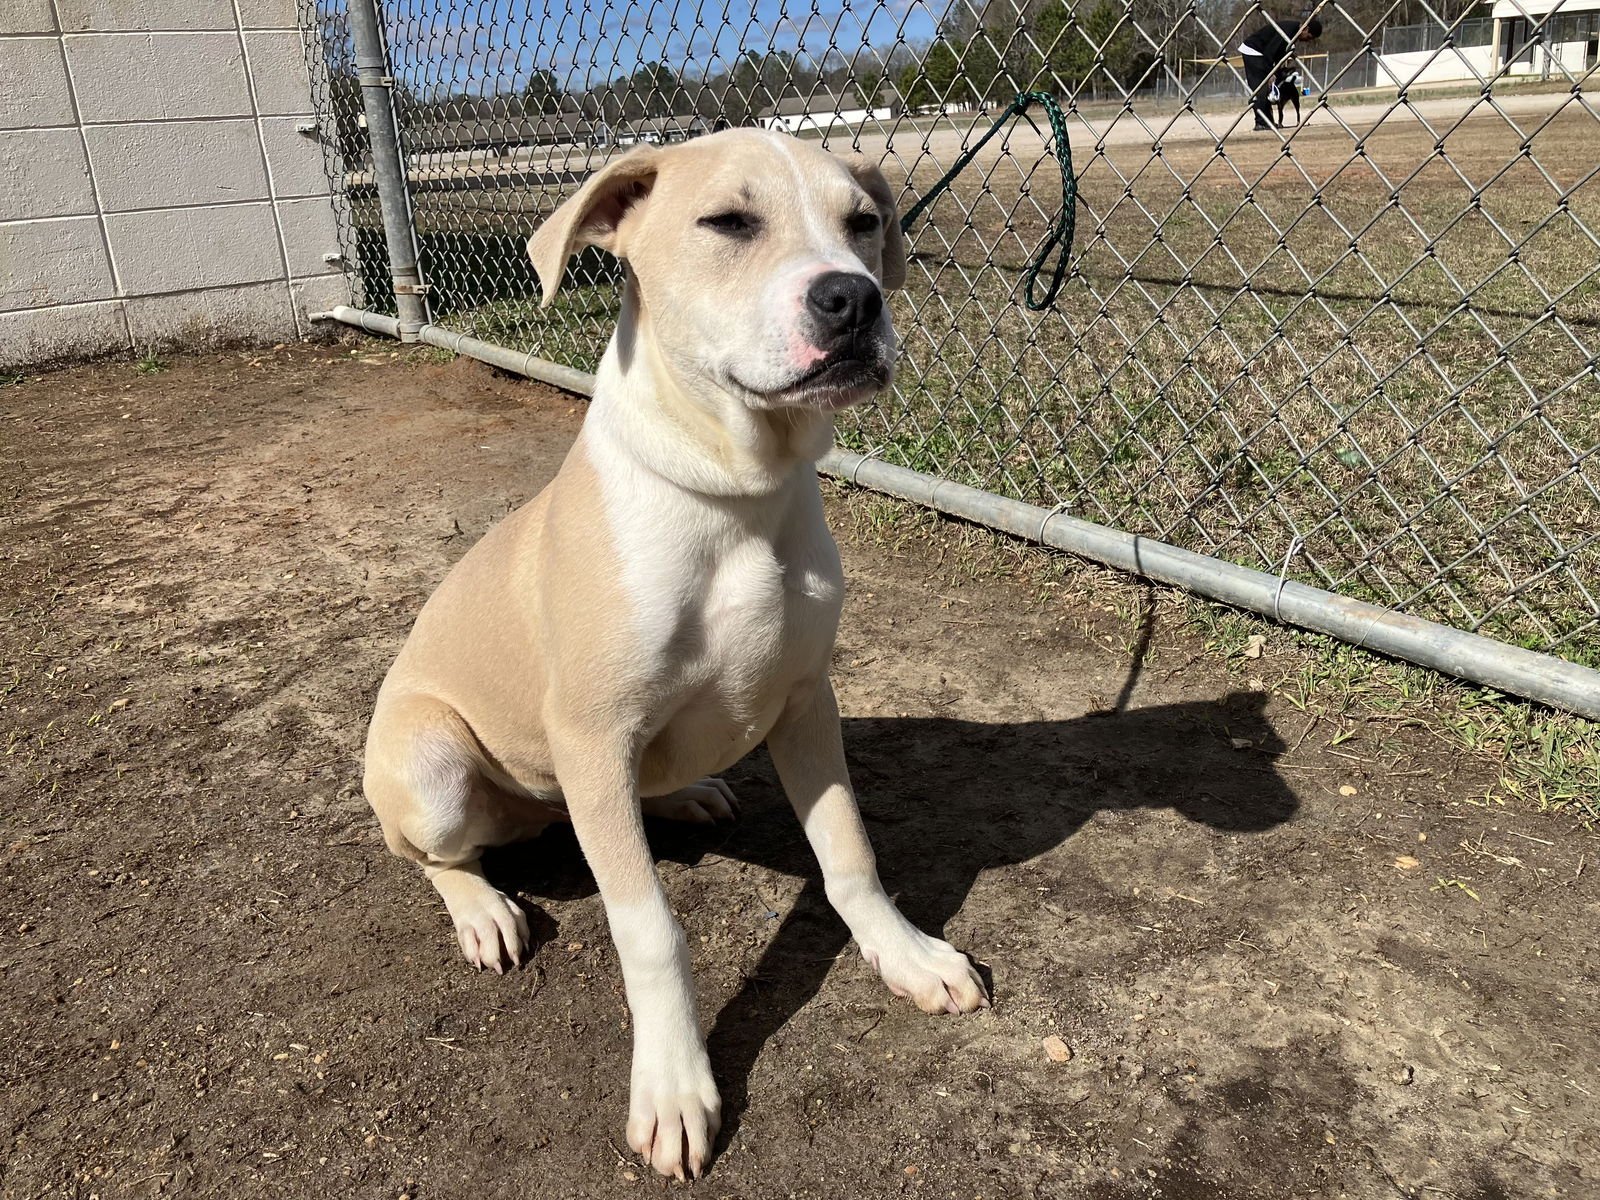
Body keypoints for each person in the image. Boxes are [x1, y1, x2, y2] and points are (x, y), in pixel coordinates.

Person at [1240, 13, 1321, 132]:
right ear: (1305, 29)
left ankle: (1268, 121)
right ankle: (1261, 122)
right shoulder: (1288, 31)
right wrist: (1270, 73)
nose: (1308, 41)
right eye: (1309, 37)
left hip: (1261, 54)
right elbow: (1269, 52)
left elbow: (1277, 54)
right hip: (1253, 50)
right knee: (1260, 87)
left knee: (1266, 88)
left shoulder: (1293, 33)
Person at [1275, 61, 1303, 127]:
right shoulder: (1278, 72)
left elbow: (1292, 69)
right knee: (1280, 107)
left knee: (1281, 107)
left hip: (1289, 89)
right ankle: (1280, 122)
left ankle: (1298, 120)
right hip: (1283, 90)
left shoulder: (1281, 71)